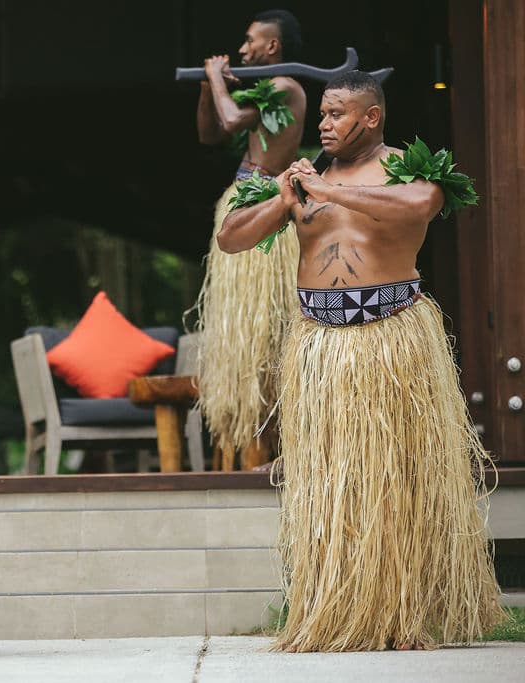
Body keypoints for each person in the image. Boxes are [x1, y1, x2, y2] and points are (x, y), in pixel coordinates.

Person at [218, 70, 503, 651]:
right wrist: (283, 196)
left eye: (336, 114)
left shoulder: (406, 168)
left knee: (395, 480)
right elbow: (231, 238)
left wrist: (329, 192)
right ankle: (334, 608)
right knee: (333, 485)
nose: (322, 125)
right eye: (321, 114)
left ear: (370, 117)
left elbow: (420, 207)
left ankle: (401, 612)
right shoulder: (298, 180)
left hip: (392, 339)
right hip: (321, 347)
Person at [193, 9, 306, 470]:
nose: (242, 50)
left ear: (272, 47)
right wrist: (207, 88)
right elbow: (210, 132)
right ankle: (256, 447)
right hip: (245, 196)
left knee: (270, 332)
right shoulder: (265, 90)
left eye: (250, 42)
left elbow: (234, 119)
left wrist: (217, 78)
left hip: (266, 205)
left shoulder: (286, 88)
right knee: (247, 339)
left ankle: (283, 448)